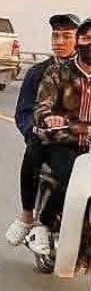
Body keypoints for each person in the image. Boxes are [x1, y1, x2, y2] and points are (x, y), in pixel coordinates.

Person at [5, 13, 79, 245]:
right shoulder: (38, 72)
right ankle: (28, 218)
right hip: (48, 139)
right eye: (56, 36)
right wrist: (33, 131)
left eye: (67, 36)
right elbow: (24, 111)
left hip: (80, 138)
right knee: (34, 151)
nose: (60, 42)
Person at [25, 17, 91, 256]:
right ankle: (41, 225)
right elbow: (42, 106)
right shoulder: (58, 73)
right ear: (79, 41)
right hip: (65, 142)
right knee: (69, 178)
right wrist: (49, 118)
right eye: (87, 39)